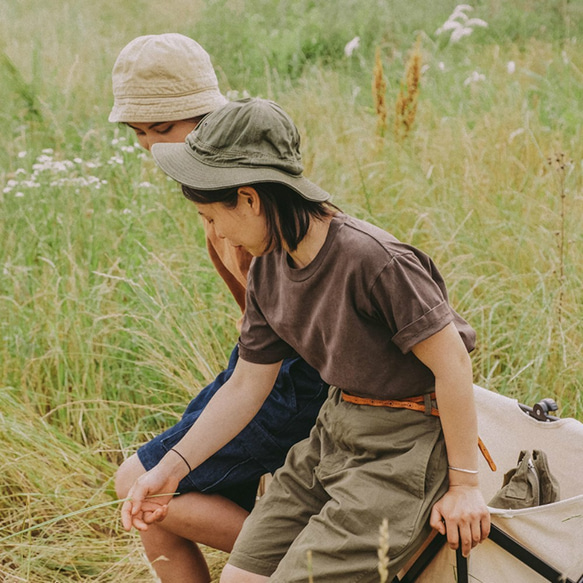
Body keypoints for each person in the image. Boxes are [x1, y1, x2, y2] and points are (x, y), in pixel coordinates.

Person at [125, 97, 491, 582]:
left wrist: (465, 485)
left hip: (403, 446)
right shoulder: (269, 266)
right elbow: (245, 386)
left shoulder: (374, 260)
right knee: (240, 578)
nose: (215, 234)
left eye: (211, 217)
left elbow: (453, 365)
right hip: (333, 431)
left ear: (250, 199)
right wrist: (171, 467)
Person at [108, 34, 328, 583]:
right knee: (147, 501)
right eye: (138, 133)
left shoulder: (248, 191)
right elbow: (252, 313)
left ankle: (317, 556)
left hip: (295, 374)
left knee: (140, 487)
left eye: (163, 129)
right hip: (256, 360)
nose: (150, 147)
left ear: (209, 117)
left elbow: (295, 318)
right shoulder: (207, 187)